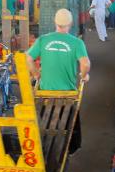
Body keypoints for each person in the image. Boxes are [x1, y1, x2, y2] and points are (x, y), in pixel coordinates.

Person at [25, 9, 90, 153]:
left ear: (55, 22)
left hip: (45, 94)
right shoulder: (77, 43)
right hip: (67, 94)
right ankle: (70, 149)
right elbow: (85, 64)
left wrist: (36, 74)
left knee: (44, 123)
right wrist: (83, 75)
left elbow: (28, 58)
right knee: (71, 122)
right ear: (71, 23)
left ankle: (45, 145)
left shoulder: (43, 39)